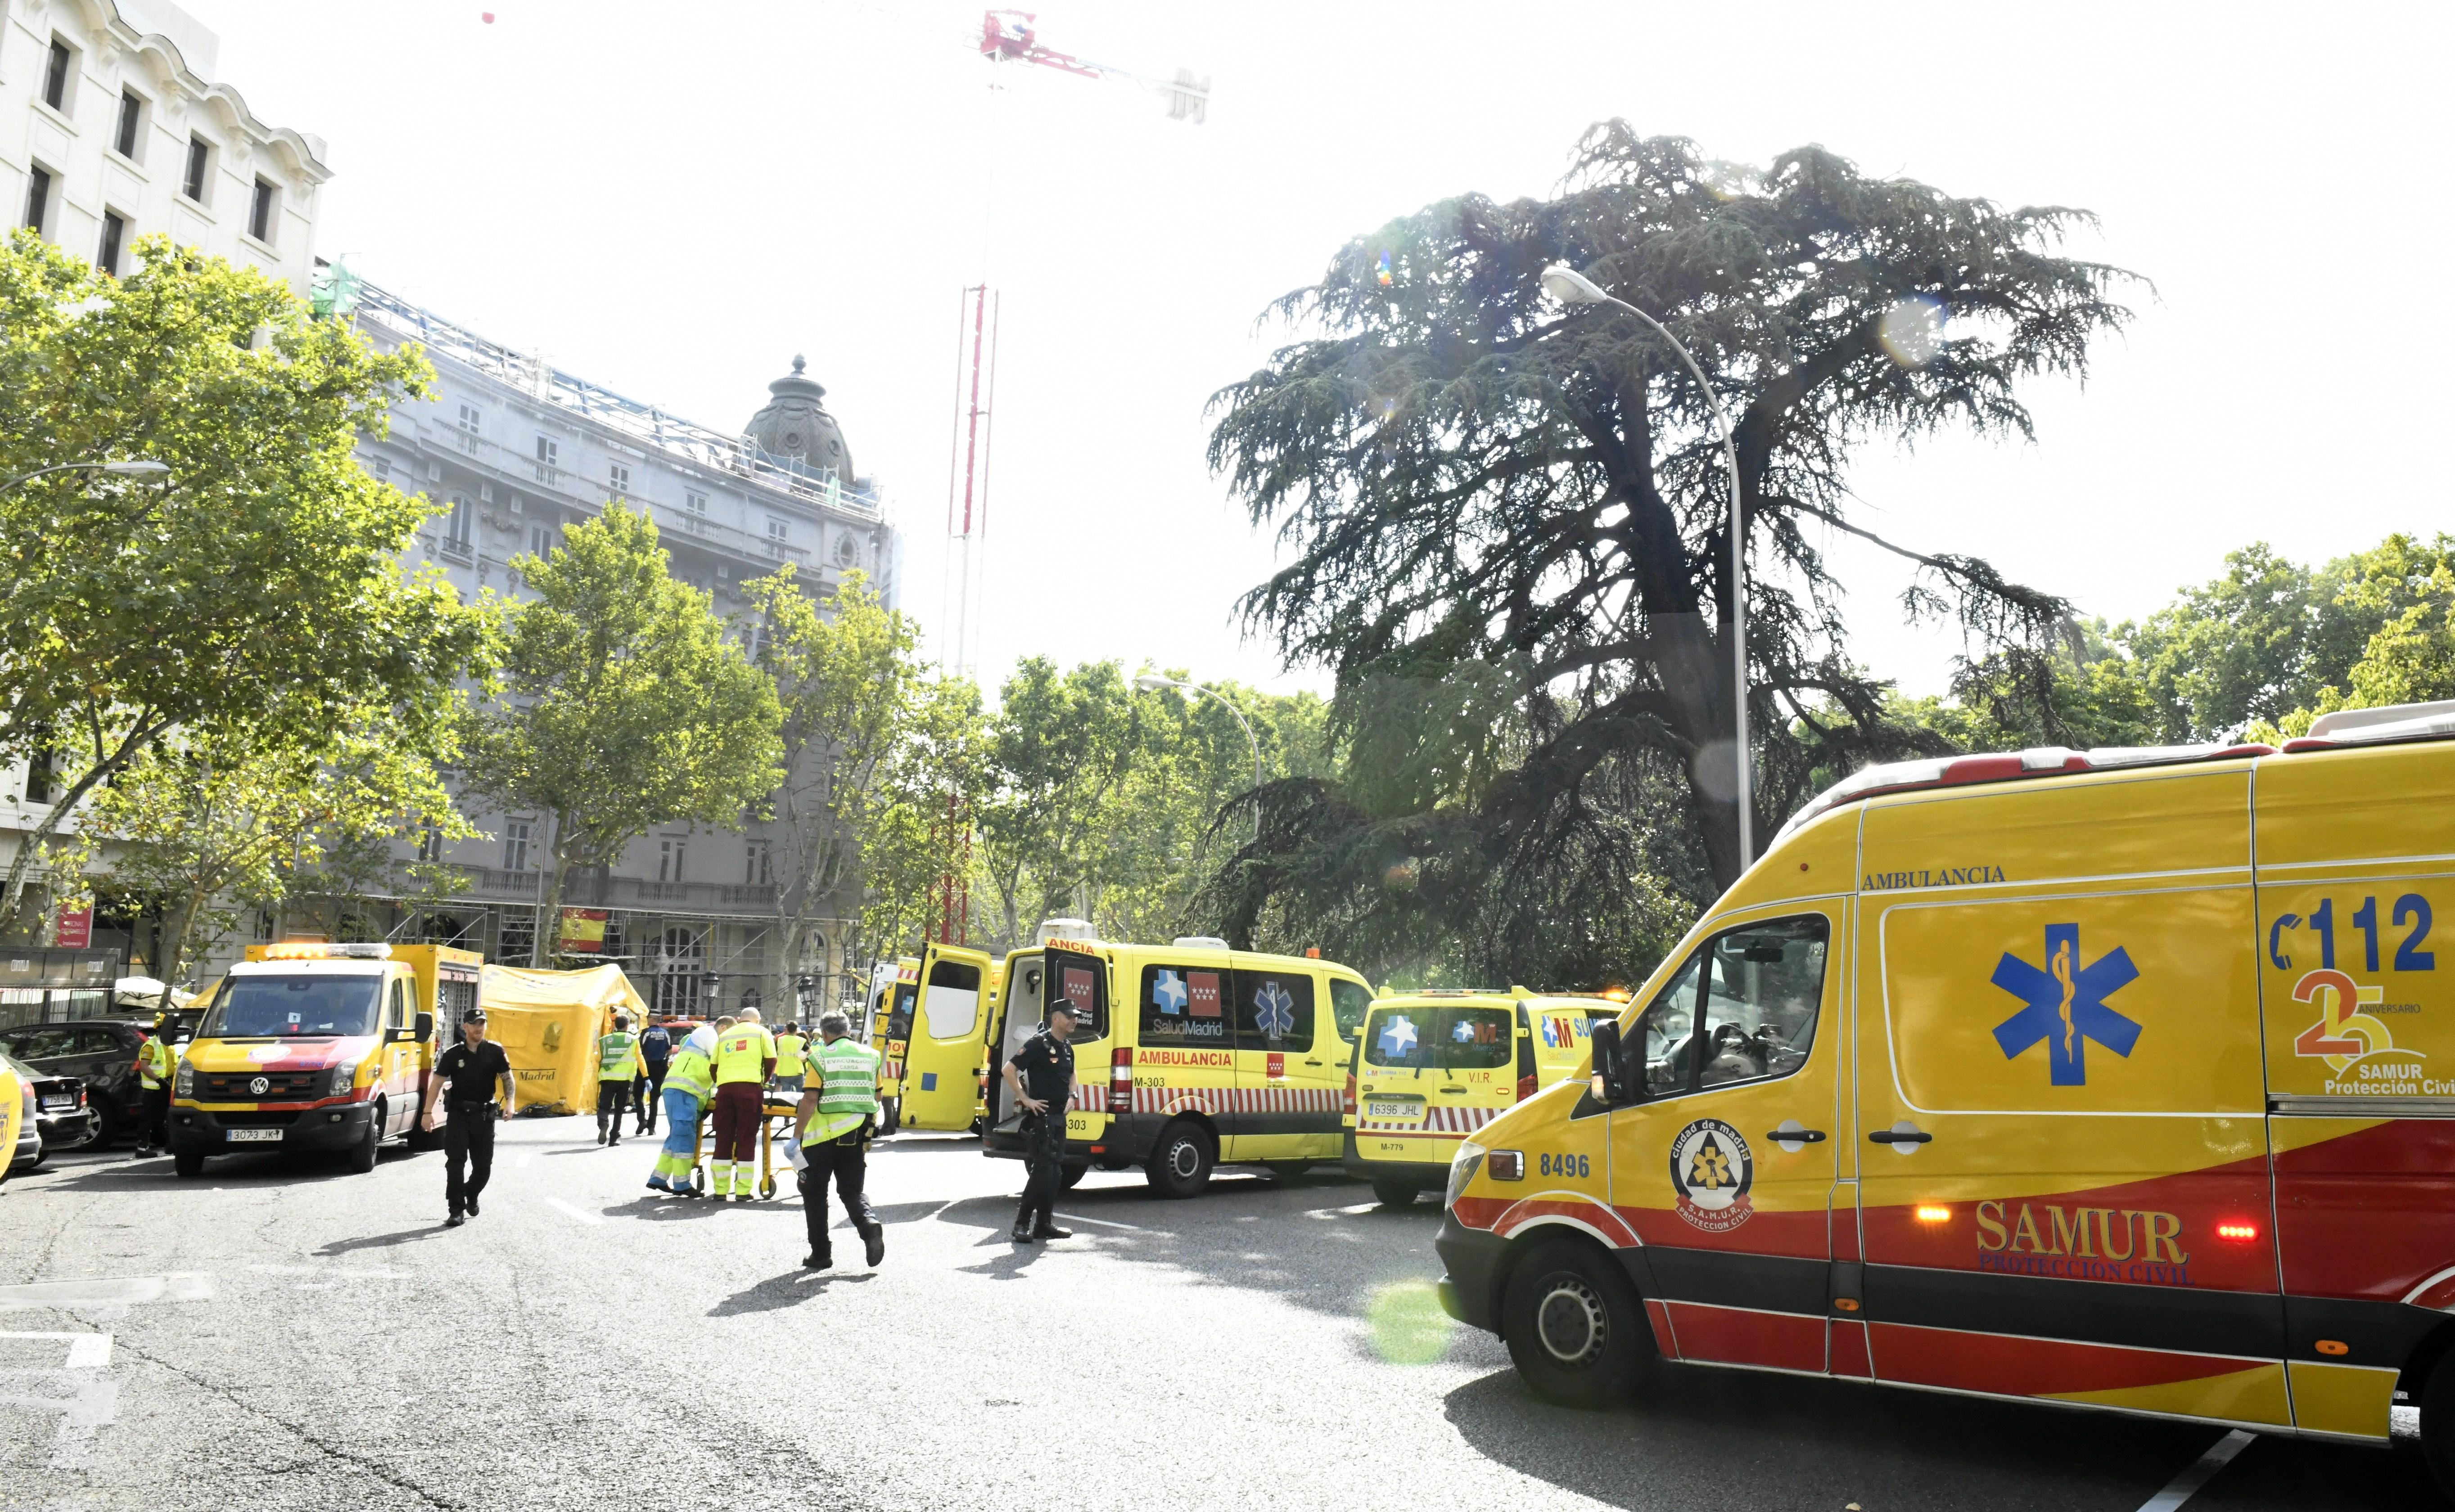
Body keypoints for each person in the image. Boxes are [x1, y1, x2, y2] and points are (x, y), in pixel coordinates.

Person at [793, 1010, 885, 1270]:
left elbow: (810, 1099)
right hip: (857, 1137)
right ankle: (869, 1226)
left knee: (814, 1194)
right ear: (848, 1029)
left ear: (823, 1033)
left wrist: (796, 1136)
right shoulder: (871, 1056)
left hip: (820, 1140)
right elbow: (878, 1097)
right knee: (851, 1191)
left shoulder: (819, 1057)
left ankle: (821, 1254)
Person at [420, 1008, 514, 1227]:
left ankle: (470, 1194)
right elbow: (436, 1084)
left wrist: (510, 1103)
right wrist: (427, 1113)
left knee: (483, 1167)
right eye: (474, 1024)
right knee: (456, 1162)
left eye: (482, 1023)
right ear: (465, 1027)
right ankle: (456, 1210)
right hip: (459, 1115)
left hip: (483, 1116)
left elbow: (507, 1078)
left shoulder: (495, 1051)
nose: (479, 1028)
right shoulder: (453, 1054)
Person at [1001, 999, 1080, 1244]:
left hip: (1058, 1117)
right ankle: (1022, 1224)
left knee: (1056, 1173)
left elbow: (1073, 1074)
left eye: (1075, 1016)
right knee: (1042, 1173)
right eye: (1069, 1016)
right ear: (1056, 1018)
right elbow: (1009, 1069)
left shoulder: (1066, 1046)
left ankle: (1044, 1224)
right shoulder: (1038, 1043)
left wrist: (1073, 1096)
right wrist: (1025, 1099)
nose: (1074, 1020)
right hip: (1042, 1118)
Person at [708, 1007, 776, 1202]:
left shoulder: (725, 1036)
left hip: (725, 1090)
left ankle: (720, 1190)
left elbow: (713, 1067)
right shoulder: (762, 1032)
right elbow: (771, 1060)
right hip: (750, 1089)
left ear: (740, 1019)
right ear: (757, 1020)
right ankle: (743, 1191)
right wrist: (765, 1079)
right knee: (747, 1137)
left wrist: (722, 1081)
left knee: (724, 1137)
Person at [647, 1023, 715, 1196]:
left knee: (676, 1137)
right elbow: (718, 1061)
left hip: (676, 1090)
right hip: (684, 1093)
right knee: (684, 1138)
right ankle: (682, 1184)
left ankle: (658, 1178)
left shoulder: (698, 1040)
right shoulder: (710, 1035)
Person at [133, 1015, 181, 1157]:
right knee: (147, 1119)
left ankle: (170, 1145)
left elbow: (174, 1066)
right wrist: (160, 1080)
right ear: (160, 1030)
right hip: (153, 1089)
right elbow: (144, 1066)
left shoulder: (170, 1046)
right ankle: (142, 1149)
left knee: (167, 1118)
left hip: (168, 1087)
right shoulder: (151, 1045)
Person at [595, 1012, 643, 1147]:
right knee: (619, 1109)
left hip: (607, 1079)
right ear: (628, 1026)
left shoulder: (604, 1040)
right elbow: (641, 1060)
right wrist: (646, 1077)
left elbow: (597, 1059)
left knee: (604, 1106)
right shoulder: (633, 1041)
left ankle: (603, 1123)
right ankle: (614, 1138)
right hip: (624, 1081)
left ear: (615, 1025)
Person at [633, 1016, 673, 1137]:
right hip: (660, 1067)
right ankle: (652, 1127)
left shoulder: (645, 1033)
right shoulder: (666, 1033)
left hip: (645, 1067)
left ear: (652, 1020)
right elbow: (670, 1051)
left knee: (638, 1094)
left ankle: (642, 1120)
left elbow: (640, 1050)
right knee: (655, 1098)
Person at [772, 1022, 808, 1096]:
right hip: (798, 1072)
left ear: (787, 1029)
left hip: (784, 1072)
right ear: (796, 1030)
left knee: (786, 1097)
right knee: (801, 1095)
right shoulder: (801, 1041)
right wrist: (805, 1060)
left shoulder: (780, 1040)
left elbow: (773, 1053)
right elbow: (811, 1053)